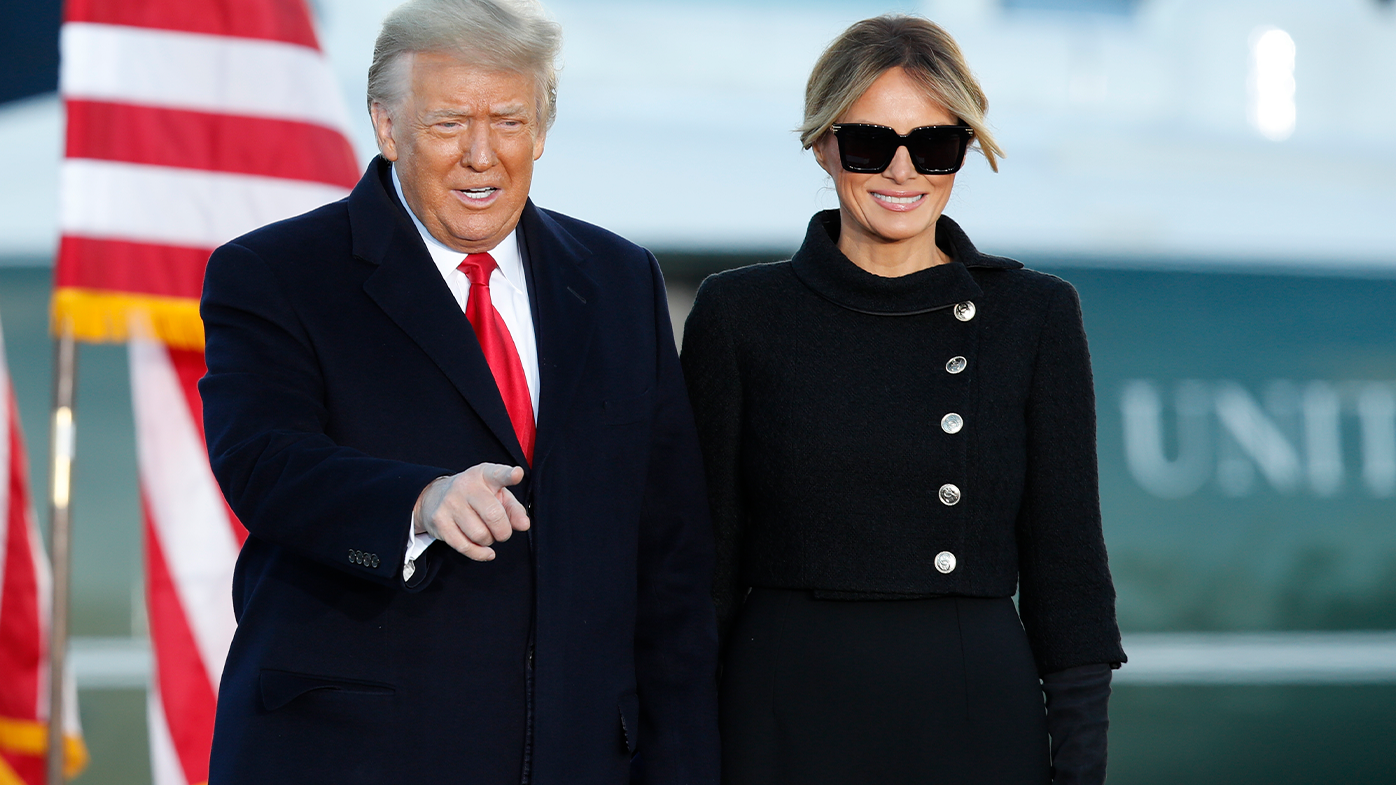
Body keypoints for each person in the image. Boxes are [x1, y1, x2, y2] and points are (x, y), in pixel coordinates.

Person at [199, 1, 719, 782]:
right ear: (387, 125)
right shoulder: (276, 273)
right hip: (354, 756)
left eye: (508, 121)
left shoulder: (619, 280)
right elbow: (263, 460)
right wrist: (419, 500)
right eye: (449, 124)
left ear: (542, 129)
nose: (483, 155)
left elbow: (670, 556)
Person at [681, 14, 1125, 785]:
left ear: (964, 151)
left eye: (933, 145)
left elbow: (1069, 567)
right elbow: (702, 566)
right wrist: (679, 750)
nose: (900, 170)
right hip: (782, 708)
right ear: (822, 143)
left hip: (969, 708)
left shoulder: (1033, 316)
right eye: (867, 142)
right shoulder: (739, 313)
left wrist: (1079, 763)